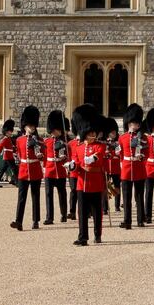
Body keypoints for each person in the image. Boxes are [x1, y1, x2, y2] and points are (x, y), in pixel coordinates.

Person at [69, 104, 107, 246]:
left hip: (95, 182)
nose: (92, 135)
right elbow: (76, 163)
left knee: (97, 212)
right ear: (84, 133)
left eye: (94, 133)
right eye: (90, 133)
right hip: (81, 183)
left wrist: (92, 159)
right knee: (82, 213)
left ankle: (97, 235)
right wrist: (72, 166)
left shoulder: (100, 146)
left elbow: (100, 156)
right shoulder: (78, 147)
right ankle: (83, 237)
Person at [11, 106, 44, 231]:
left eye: (33, 126)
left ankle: (36, 220)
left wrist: (40, 155)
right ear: (25, 127)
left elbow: (43, 154)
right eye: (30, 126)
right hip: (24, 171)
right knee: (21, 197)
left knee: (35, 197)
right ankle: (18, 221)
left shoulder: (39, 140)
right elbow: (19, 154)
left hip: (35, 170)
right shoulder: (19, 140)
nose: (32, 128)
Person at [118, 103, 147, 229]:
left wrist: (142, 157)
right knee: (126, 197)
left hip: (139, 168)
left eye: (138, 123)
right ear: (130, 123)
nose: (138, 125)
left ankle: (140, 220)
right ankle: (127, 220)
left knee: (139, 196)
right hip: (126, 169)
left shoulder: (143, 137)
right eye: (136, 123)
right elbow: (120, 154)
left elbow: (147, 152)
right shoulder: (122, 137)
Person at [43, 111, 69, 225]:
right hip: (49, 170)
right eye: (54, 130)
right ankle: (49, 217)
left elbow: (69, 156)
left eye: (57, 129)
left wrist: (65, 157)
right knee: (49, 195)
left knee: (62, 193)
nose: (56, 132)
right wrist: (44, 167)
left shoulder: (64, 142)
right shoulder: (46, 142)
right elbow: (44, 156)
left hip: (60, 170)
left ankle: (63, 214)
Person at [103, 117, 122, 214]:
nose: (113, 134)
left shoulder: (118, 143)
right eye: (112, 132)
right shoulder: (104, 142)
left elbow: (119, 154)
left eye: (114, 132)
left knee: (117, 187)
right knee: (105, 188)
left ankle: (117, 206)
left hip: (115, 168)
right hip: (106, 167)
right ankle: (105, 208)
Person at [0, 119, 17, 187]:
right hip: (8, 157)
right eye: (9, 132)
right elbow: (0, 146)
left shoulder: (8, 139)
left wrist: (15, 152)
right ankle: (17, 182)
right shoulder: (5, 139)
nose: (11, 133)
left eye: (11, 131)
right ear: (6, 132)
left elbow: (12, 148)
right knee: (15, 169)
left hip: (9, 156)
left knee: (2, 170)